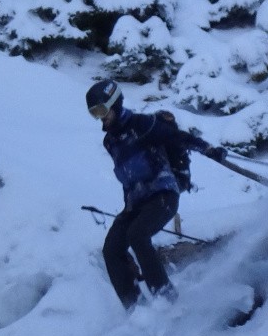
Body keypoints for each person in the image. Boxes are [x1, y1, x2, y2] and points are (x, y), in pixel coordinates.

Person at [85, 79, 225, 309]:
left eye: (101, 110)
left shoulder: (142, 124)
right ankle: (136, 310)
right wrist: (128, 207)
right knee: (111, 249)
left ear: (114, 104)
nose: (100, 117)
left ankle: (167, 301)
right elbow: (128, 178)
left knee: (137, 235)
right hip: (136, 203)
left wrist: (208, 149)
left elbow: (177, 137)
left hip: (163, 195)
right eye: (94, 113)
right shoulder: (110, 141)